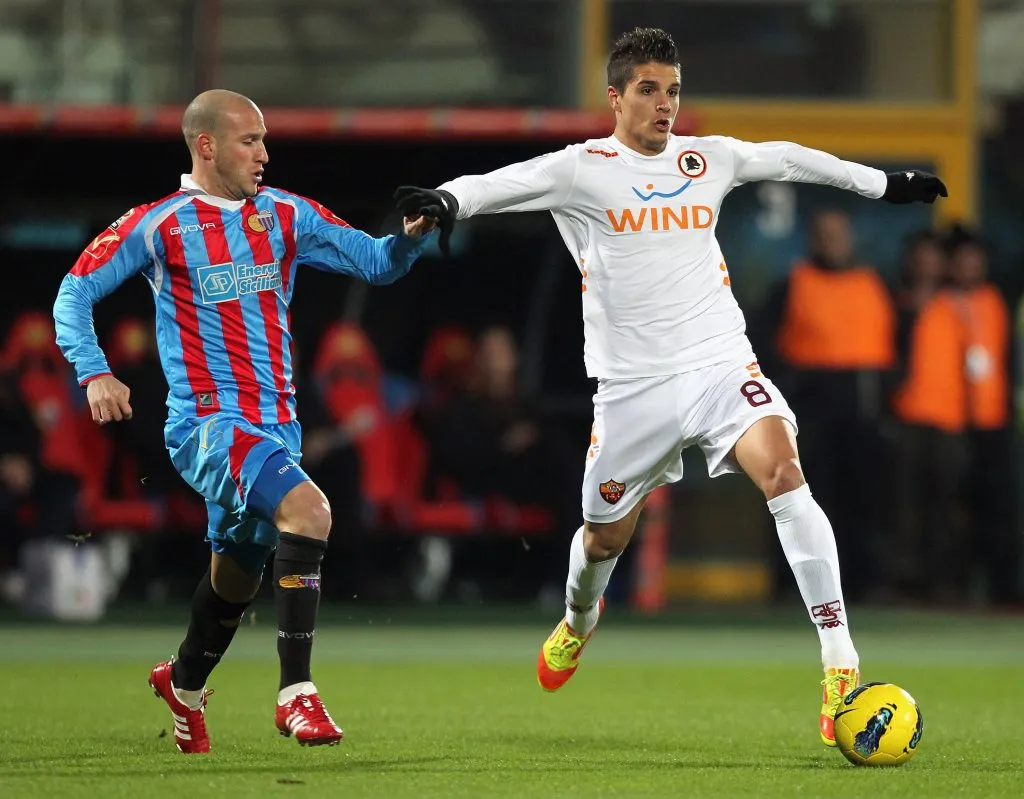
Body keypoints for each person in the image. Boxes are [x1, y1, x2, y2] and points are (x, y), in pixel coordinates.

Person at [393, 27, 946, 749]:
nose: (665, 105)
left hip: (721, 364)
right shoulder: (582, 168)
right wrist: (445, 200)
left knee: (784, 473)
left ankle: (839, 662)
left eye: (674, 91)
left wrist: (885, 185)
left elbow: (786, 157)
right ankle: (577, 622)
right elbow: (503, 184)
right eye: (649, 90)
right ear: (616, 96)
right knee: (602, 538)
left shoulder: (705, 158)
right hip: (633, 389)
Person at [52, 89, 436, 754]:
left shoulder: (285, 214)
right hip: (206, 424)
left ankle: (184, 680)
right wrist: (94, 370)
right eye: (249, 141)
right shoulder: (160, 224)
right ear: (206, 145)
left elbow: (374, 262)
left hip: (275, 426)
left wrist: (407, 239)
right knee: (310, 512)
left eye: (263, 140)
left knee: (236, 576)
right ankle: (297, 693)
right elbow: (74, 290)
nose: (264, 153)